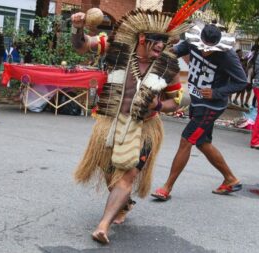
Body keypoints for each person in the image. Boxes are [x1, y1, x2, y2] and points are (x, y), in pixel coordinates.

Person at [71, 6, 192, 244]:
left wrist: (158, 106)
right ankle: (123, 204)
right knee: (110, 174)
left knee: (127, 176)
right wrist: (77, 27)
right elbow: (82, 45)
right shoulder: (117, 49)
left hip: (144, 129)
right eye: (157, 41)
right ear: (142, 38)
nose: (161, 46)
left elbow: (178, 102)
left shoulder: (168, 67)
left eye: (165, 42)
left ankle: (102, 226)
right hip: (111, 123)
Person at [151, 23, 247, 201]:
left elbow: (241, 81)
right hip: (197, 101)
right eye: (203, 48)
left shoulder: (228, 56)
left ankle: (166, 187)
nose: (205, 52)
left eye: (210, 50)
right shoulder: (192, 42)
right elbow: (174, 52)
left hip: (212, 106)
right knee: (202, 143)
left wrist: (217, 92)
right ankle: (230, 179)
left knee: (186, 140)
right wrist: (162, 50)